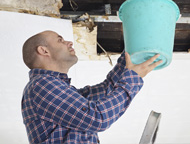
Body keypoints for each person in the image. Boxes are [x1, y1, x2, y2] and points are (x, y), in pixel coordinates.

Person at [21, 30, 162, 144]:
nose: (69, 42)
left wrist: (133, 48)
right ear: (44, 51)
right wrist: (133, 78)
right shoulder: (42, 85)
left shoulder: (60, 89)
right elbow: (97, 118)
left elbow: (108, 88)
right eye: (60, 40)